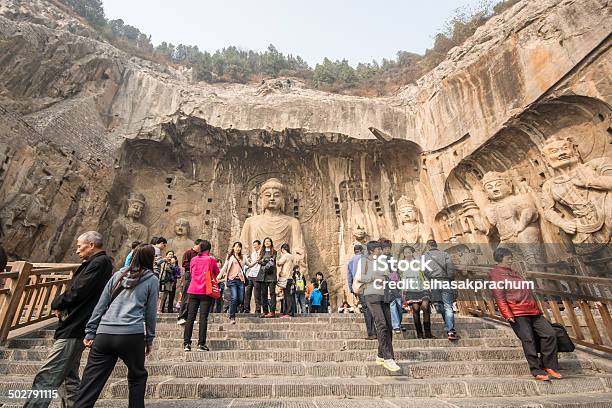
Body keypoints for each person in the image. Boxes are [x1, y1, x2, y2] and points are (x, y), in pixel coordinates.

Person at [25, 231, 113, 408]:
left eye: (80, 245)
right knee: (69, 378)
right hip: (75, 324)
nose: (77, 249)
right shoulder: (95, 263)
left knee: (48, 374)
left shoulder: (100, 263)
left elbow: (79, 290)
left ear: (91, 245)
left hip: (75, 325)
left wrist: (57, 302)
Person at [74, 244, 159, 408]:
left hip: (104, 333)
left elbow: (101, 304)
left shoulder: (118, 275)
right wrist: (149, 339)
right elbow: (150, 313)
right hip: (131, 335)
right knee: (137, 377)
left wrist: (90, 332)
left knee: (90, 382)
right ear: (151, 259)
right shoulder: (152, 279)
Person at [489, 247, 562, 381]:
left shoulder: (515, 273)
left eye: (511, 258)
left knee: (550, 333)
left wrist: (538, 306)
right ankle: (536, 370)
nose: (511, 260)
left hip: (532, 310)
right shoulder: (496, 274)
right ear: (500, 259)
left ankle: (549, 365)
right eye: (508, 258)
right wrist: (507, 313)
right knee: (528, 340)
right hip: (517, 311)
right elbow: (499, 296)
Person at [354, 240, 400, 372]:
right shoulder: (364, 262)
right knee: (381, 324)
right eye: (378, 249)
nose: (381, 251)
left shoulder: (383, 261)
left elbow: (387, 275)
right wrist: (373, 278)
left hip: (384, 294)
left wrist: (384, 278)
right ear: (371, 251)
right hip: (371, 294)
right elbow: (360, 278)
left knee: (389, 325)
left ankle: (380, 355)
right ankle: (388, 358)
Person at [183, 240, 220, 352]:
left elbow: (191, 271)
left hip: (193, 290)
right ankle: (201, 344)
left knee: (190, 317)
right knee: (203, 318)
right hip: (205, 291)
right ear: (208, 249)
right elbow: (216, 272)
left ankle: (186, 344)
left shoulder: (193, 259)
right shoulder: (211, 259)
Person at [423, 239, 458, 341]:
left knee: (439, 305)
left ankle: (448, 325)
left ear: (428, 246)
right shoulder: (445, 254)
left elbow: (424, 271)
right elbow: (451, 269)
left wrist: (429, 280)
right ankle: (450, 329)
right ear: (436, 245)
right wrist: (450, 279)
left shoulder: (425, 257)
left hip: (434, 281)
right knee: (448, 306)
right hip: (445, 281)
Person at [400, 246, 433, 339]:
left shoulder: (418, 262)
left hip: (422, 288)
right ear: (404, 254)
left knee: (425, 307)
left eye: (409, 252)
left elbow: (425, 274)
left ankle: (428, 332)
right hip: (411, 289)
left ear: (412, 253)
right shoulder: (402, 265)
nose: (408, 254)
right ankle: (419, 333)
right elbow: (402, 278)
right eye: (406, 253)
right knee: (416, 309)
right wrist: (403, 289)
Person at [348, 244, 376, 340]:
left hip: (359, 287)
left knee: (366, 310)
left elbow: (350, 277)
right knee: (373, 308)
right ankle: (377, 331)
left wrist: (352, 289)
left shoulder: (351, 261)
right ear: (362, 250)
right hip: (369, 286)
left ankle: (371, 333)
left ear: (354, 251)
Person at [219, 242, 247, 324]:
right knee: (234, 297)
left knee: (241, 299)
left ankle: (231, 307)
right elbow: (225, 266)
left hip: (241, 280)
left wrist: (256, 261)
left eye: (239, 247)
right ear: (233, 248)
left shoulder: (243, 257)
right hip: (232, 280)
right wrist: (219, 276)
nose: (238, 248)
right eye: (236, 247)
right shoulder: (230, 257)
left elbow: (249, 264)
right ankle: (232, 316)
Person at [380, 239, 403, 335]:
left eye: (388, 248)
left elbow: (398, 270)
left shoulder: (393, 258)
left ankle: (399, 323)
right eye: (385, 248)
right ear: (382, 249)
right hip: (387, 283)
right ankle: (396, 325)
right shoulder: (380, 259)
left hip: (396, 283)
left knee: (399, 304)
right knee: (393, 304)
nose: (387, 250)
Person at [177, 239, 202, 325]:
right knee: (186, 296)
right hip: (189, 275)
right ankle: (181, 317)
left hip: (197, 276)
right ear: (196, 245)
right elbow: (184, 264)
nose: (200, 248)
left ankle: (190, 317)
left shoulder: (200, 255)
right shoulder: (188, 253)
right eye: (200, 246)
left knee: (193, 297)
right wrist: (195, 264)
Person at [256, 237, 278, 318]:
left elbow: (272, 263)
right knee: (263, 294)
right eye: (265, 241)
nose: (267, 242)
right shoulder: (262, 252)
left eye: (268, 241)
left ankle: (272, 311)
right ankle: (265, 311)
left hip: (271, 275)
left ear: (271, 243)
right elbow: (258, 261)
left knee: (272, 293)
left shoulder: (274, 252)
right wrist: (265, 261)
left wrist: (264, 262)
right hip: (262, 276)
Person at [277, 243, 296, 318]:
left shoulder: (286, 255)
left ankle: (289, 313)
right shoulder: (292, 256)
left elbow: (279, 263)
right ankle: (288, 312)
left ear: (282, 249)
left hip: (286, 277)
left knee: (287, 296)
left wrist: (280, 257)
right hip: (290, 278)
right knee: (288, 295)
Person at [244, 240, 262, 314]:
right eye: (253, 245)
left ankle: (258, 309)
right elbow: (251, 264)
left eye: (256, 245)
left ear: (259, 245)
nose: (254, 246)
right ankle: (246, 309)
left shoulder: (262, 253)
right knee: (247, 292)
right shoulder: (253, 253)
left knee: (256, 293)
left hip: (257, 274)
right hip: (250, 274)